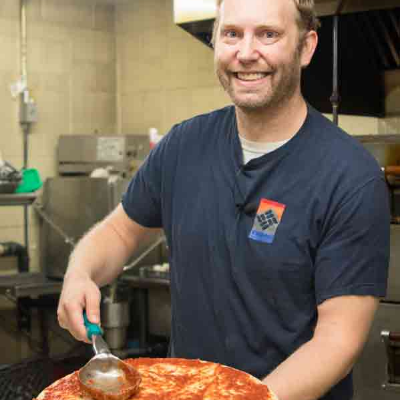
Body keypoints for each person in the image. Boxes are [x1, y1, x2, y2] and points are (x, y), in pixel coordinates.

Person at [57, 0, 390, 399]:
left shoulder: (349, 176)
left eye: (268, 34)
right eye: (232, 34)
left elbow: (338, 340)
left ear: (306, 47)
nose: (246, 53)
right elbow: (119, 231)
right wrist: (80, 272)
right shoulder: (182, 146)